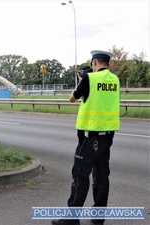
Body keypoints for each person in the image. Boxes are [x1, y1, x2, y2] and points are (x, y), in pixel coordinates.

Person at [52, 50, 120, 225]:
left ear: (94, 63)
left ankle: (71, 219)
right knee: (101, 178)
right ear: (108, 63)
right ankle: (98, 219)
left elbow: (72, 99)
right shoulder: (115, 80)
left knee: (80, 178)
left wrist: (82, 82)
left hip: (90, 137)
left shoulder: (90, 79)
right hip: (107, 138)